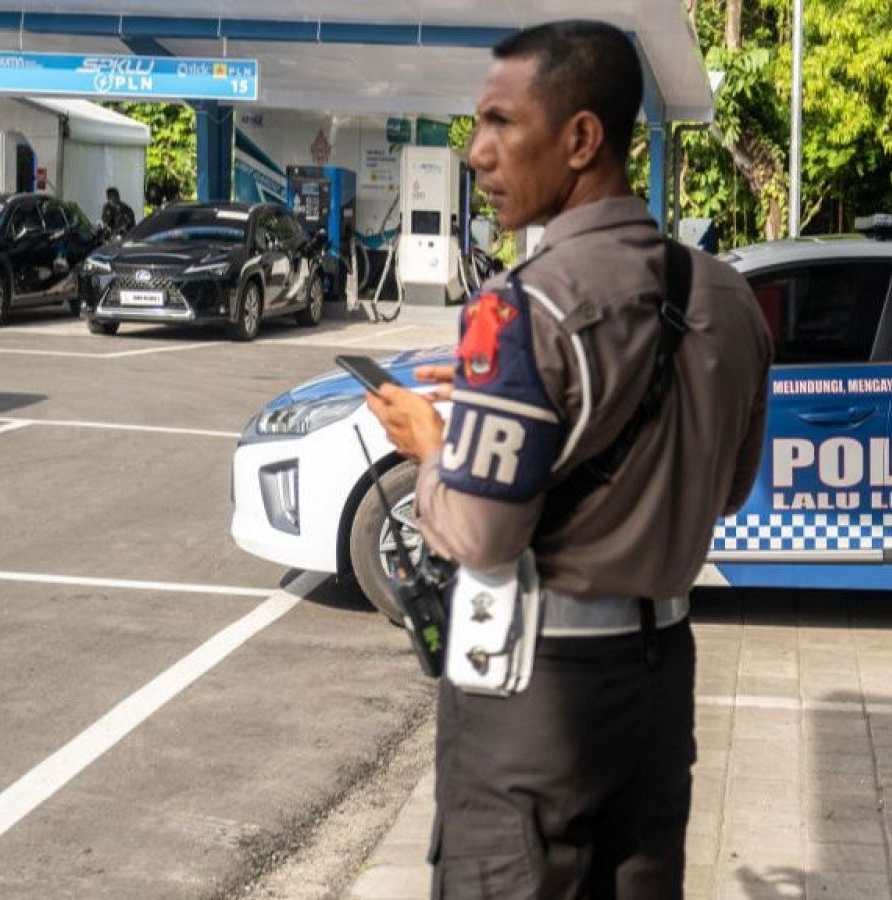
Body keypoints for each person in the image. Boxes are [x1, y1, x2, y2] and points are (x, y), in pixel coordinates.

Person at [364, 19, 771, 900]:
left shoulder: (524, 306)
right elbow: (730, 490)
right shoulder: (730, 298)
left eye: (501, 123)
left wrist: (433, 445)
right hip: (660, 684)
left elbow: (482, 535)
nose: (476, 152)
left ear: (582, 138)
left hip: (534, 699)